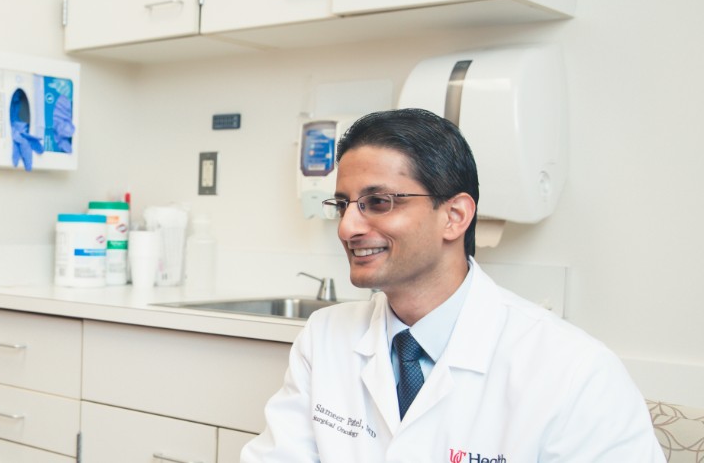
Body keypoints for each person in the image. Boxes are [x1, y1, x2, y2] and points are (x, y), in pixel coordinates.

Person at [241, 108, 663, 462]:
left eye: (378, 202)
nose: (347, 227)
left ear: (455, 216)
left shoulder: (574, 371)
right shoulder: (325, 337)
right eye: (342, 205)